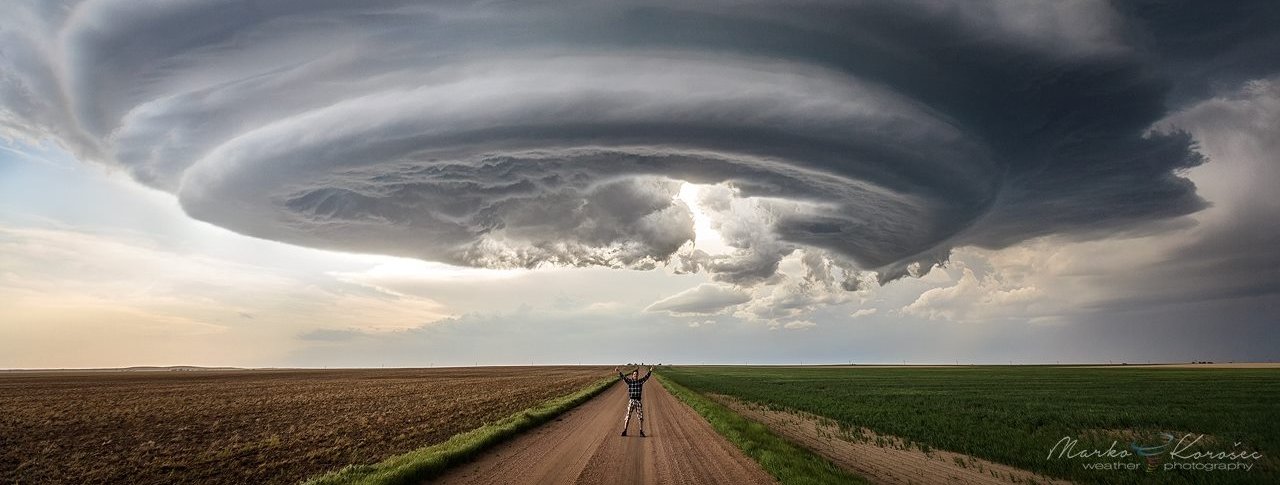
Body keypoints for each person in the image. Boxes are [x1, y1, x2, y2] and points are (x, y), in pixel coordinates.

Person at [614, 365, 651, 437]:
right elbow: (623, 377)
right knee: (628, 416)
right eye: (634, 374)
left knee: (640, 417)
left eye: (636, 374)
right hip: (631, 401)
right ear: (632, 375)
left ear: (638, 375)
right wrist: (618, 371)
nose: (635, 375)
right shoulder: (630, 382)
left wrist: (650, 371)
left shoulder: (640, 382)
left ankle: (641, 431)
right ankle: (625, 430)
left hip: (638, 401)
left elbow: (646, 377)